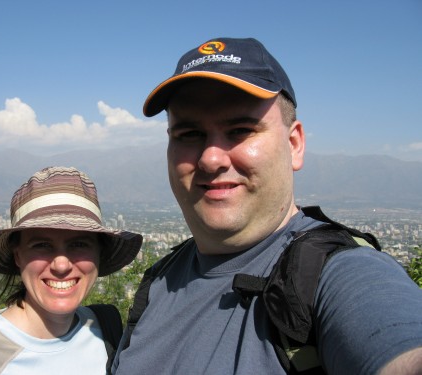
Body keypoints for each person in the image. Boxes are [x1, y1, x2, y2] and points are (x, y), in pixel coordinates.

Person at [112, 37, 422, 374]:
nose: (211, 158)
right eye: (188, 134)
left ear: (294, 144)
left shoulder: (338, 274)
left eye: (241, 129)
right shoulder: (158, 283)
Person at [0, 166, 142, 375]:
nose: (61, 265)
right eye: (41, 245)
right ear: (17, 256)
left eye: (79, 244)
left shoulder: (106, 327)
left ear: (99, 253)